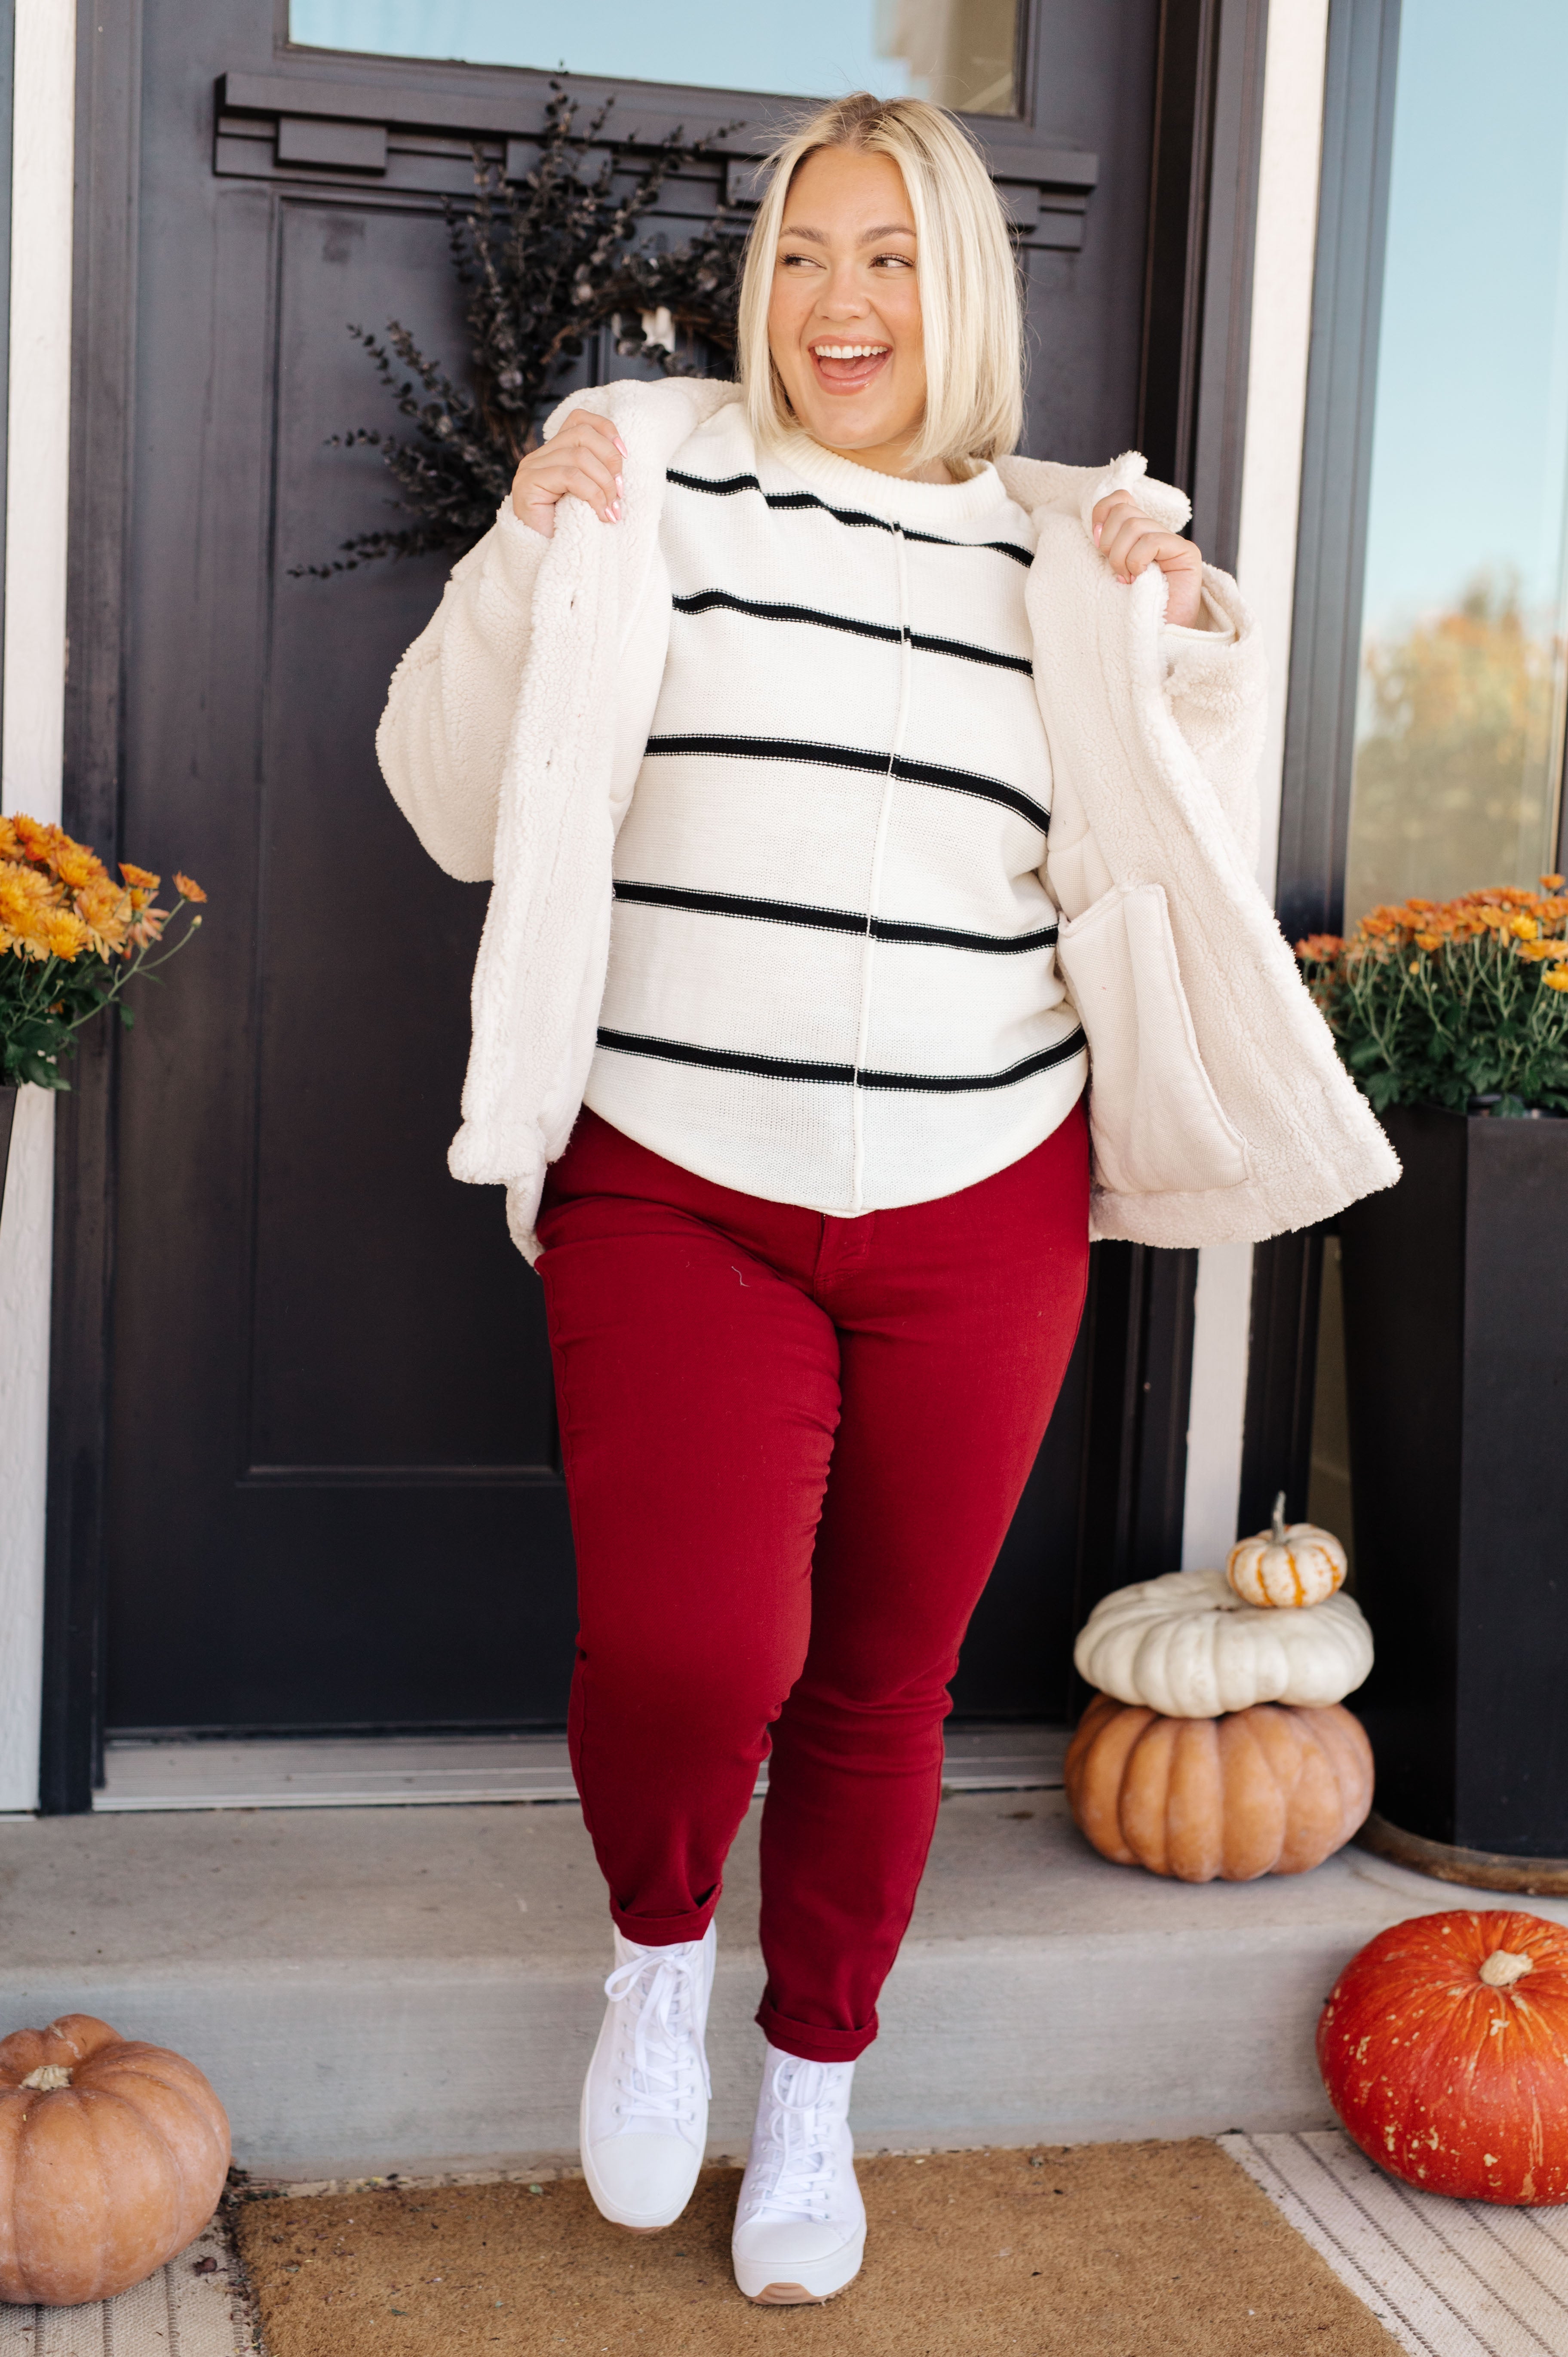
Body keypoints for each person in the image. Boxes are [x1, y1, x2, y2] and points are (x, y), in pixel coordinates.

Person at [378, 92, 1394, 2306]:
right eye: (809, 255)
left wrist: (1188, 646)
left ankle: (815, 2074)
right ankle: (661, 1956)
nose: (845, 304)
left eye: (896, 257)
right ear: (762, 287)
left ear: (968, 291)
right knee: (693, 1647)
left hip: (977, 1191)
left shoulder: (1058, 546)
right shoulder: (655, 479)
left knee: (883, 1681)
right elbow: (460, 803)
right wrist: (520, 559)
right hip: (681, 1179)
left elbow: (1174, 868)